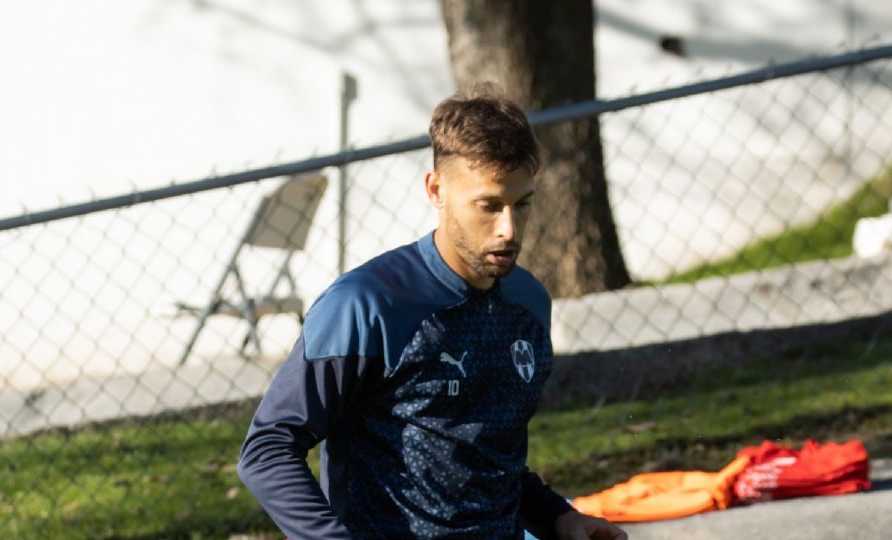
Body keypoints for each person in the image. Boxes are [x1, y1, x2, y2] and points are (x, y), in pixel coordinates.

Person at [237, 86, 627, 540]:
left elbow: (487, 459)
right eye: (489, 206)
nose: (509, 229)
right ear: (436, 189)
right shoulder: (366, 305)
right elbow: (267, 451)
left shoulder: (528, 303)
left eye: (523, 204)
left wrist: (557, 516)